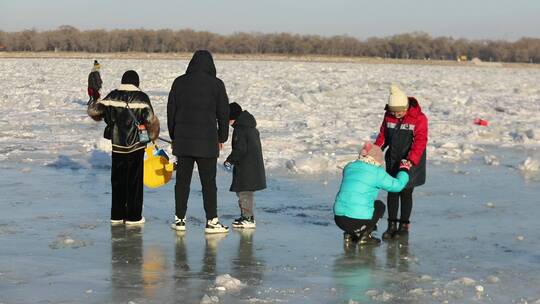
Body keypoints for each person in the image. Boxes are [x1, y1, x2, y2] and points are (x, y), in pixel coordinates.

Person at [167, 50, 230, 234]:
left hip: (184, 143)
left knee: (182, 182)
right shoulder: (217, 85)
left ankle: (179, 220)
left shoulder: (179, 82)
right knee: (208, 183)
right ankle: (212, 221)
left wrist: (174, 136)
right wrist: (222, 137)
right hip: (207, 143)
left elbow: (171, 111)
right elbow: (223, 114)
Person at [87, 70, 160, 225]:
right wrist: (152, 136)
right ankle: (134, 217)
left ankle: (117, 215)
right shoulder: (142, 98)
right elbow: (150, 121)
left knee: (118, 180)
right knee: (135, 181)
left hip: (118, 145)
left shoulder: (113, 96)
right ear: (136, 83)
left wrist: (100, 105)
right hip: (136, 146)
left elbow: (94, 112)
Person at [374, 85, 428, 239]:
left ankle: (403, 226)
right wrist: (375, 150)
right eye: (394, 112)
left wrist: (410, 161)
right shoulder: (389, 116)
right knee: (392, 191)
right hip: (393, 159)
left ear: (406, 107)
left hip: (410, 162)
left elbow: (420, 142)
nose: (397, 115)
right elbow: (383, 135)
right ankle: (391, 225)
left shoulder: (419, 118)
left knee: (405, 192)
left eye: (400, 111)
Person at [334, 142, 410, 245]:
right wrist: (404, 170)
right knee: (379, 206)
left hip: (339, 219)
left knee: (355, 202)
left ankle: (349, 234)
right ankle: (365, 236)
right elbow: (397, 186)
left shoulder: (349, 167)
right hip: (357, 221)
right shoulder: (376, 172)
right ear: (377, 159)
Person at [224, 102, 266, 229]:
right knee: (245, 192)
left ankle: (247, 218)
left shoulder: (240, 129)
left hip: (246, 168)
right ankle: (247, 216)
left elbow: (240, 149)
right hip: (252, 166)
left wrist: (230, 160)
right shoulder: (250, 127)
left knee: (244, 192)